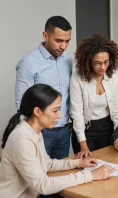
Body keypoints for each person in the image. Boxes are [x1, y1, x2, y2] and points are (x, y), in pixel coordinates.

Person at [0, 84, 114, 197]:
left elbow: (46, 164)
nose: (59, 115)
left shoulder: (34, 131)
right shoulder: (22, 140)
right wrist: (89, 175)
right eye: (55, 111)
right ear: (37, 111)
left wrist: (78, 163)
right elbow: (42, 184)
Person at [15, 16, 73, 159]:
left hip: (64, 131)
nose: (63, 46)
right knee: (37, 177)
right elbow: (21, 104)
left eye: (67, 41)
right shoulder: (28, 63)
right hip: (41, 132)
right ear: (45, 35)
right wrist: (32, 135)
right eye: (58, 41)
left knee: (60, 175)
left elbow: (69, 94)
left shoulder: (68, 60)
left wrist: (70, 123)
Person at [70, 33, 118, 159]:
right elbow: (77, 112)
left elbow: (116, 109)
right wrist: (83, 144)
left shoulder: (114, 76)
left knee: (110, 162)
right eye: (97, 63)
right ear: (88, 62)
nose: (103, 67)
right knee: (88, 166)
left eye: (106, 62)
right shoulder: (78, 78)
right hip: (85, 129)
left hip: (107, 127)